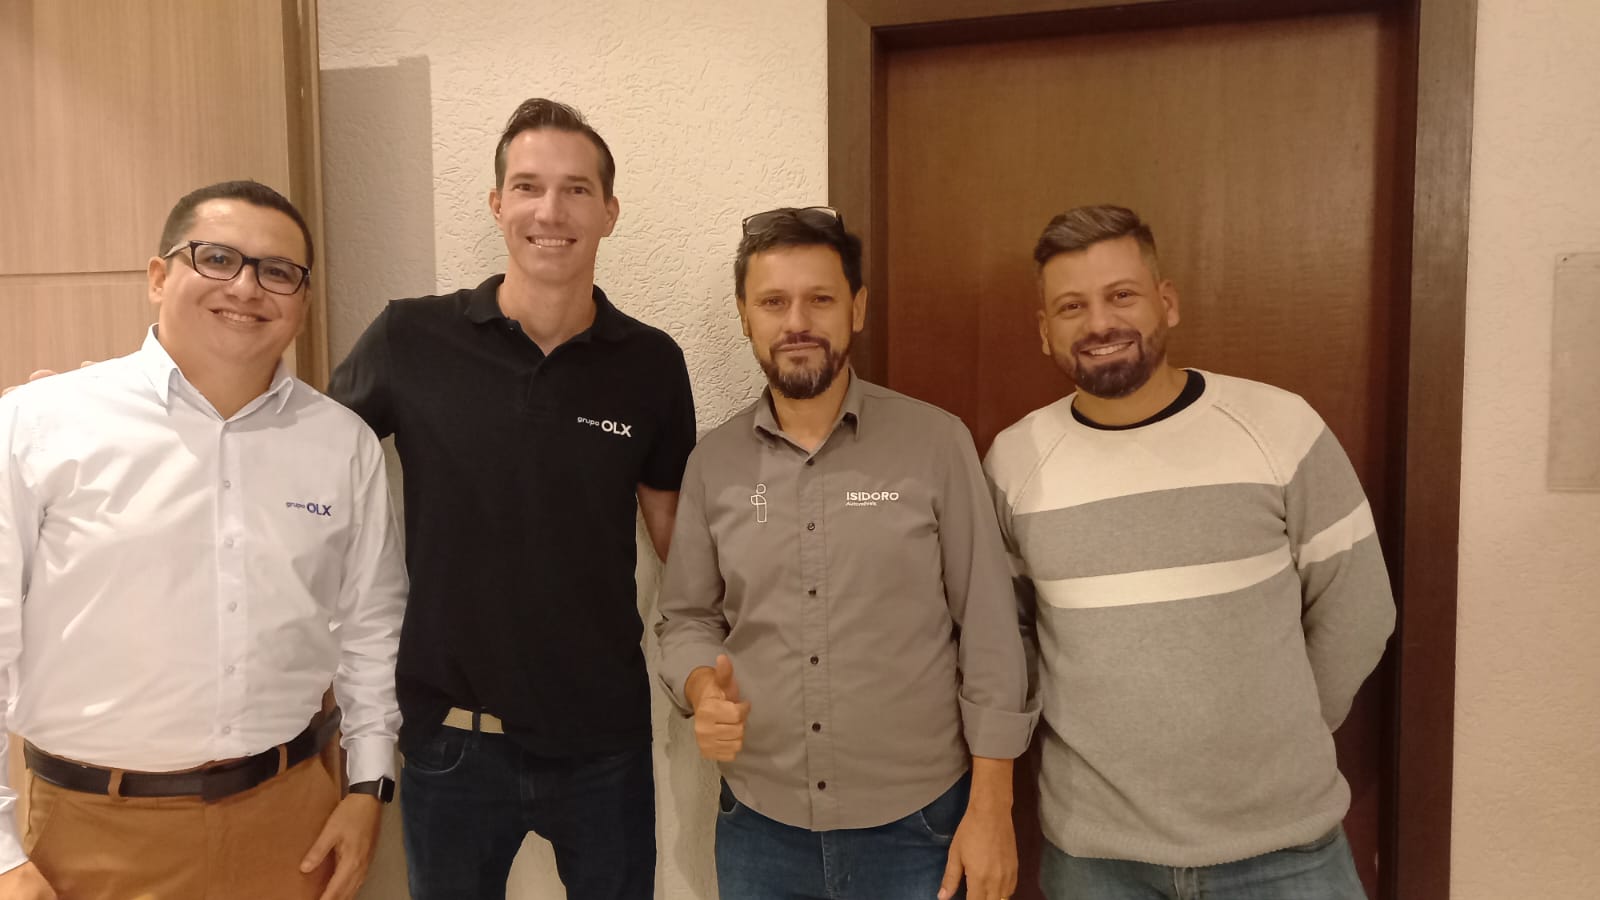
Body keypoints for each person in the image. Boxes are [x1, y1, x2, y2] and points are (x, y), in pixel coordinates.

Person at [330, 99, 696, 899]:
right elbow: (307, 458)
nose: (550, 211)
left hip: (602, 739)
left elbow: (679, 538)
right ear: (497, 204)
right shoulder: (409, 338)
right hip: (451, 739)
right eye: (528, 186)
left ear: (609, 212)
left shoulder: (651, 363)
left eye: (575, 189)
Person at [0, 180, 406, 900]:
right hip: (90, 831)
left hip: (291, 819)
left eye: (277, 271)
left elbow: (370, 628)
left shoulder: (340, 444)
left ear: (302, 300)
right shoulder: (38, 425)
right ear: (159, 277)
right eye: (217, 258)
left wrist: (368, 786)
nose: (246, 287)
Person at [984, 204, 1395, 899]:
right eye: (1072, 306)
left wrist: (1282, 733)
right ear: (1045, 330)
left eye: (1122, 295)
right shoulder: (1014, 461)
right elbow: (1011, 639)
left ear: (1166, 303)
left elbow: (1359, 612)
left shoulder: (1279, 428)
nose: (1100, 323)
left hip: (1285, 852)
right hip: (1097, 861)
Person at [656, 207, 1035, 900]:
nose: (796, 322)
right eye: (773, 302)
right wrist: (702, 690)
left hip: (920, 828)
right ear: (744, 316)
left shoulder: (935, 444)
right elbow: (685, 618)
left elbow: (989, 631)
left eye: (820, 299)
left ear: (856, 308)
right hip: (759, 828)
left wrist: (992, 806)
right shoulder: (713, 463)